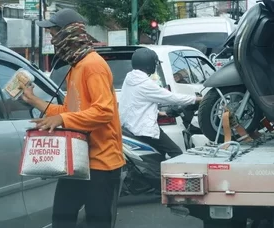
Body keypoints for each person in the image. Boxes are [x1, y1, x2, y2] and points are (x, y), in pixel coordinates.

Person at [19, 8, 125, 228]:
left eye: (54, 32)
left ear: (69, 33)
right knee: (61, 218)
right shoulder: (76, 67)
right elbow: (70, 111)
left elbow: (104, 111)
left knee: (97, 222)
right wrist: (34, 101)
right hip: (77, 161)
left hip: (102, 163)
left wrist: (62, 121)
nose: (52, 38)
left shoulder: (92, 66)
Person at [119, 47, 203, 159]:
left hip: (130, 127)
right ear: (149, 64)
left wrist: (158, 113)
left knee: (160, 155)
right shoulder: (145, 83)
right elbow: (171, 97)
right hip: (144, 129)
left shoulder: (129, 79)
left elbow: (135, 102)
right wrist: (196, 99)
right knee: (176, 153)